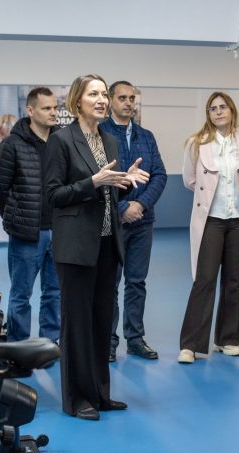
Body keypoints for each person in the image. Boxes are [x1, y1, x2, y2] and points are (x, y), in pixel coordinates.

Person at [44, 74, 149, 420]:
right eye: (94, 94)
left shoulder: (110, 142)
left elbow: (109, 191)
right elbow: (53, 196)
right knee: (77, 326)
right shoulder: (61, 141)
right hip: (76, 247)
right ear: (78, 101)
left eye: (104, 94)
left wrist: (124, 182)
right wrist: (93, 182)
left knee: (102, 323)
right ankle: (77, 400)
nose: (102, 100)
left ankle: (101, 395)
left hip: (107, 244)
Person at [177, 92, 239, 364]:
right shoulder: (196, 143)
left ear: (232, 111)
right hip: (211, 218)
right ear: (208, 114)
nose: (219, 112)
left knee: (234, 281)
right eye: (213, 109)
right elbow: (189, 180)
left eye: (223, 107)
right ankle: (190, 345)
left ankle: (228, 339)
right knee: (205, 280)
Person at [0, 87, 61, 343]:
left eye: (55, 107)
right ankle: (17, 346)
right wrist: (15, 217)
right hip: (27, 235)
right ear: (30, 110)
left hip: (59, 232)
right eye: (46, 108)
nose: (53, 113)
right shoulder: (11, 145)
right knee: (21, 294)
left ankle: (49, 343)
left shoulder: (62, 143)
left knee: (54, 293)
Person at [102, 81, 167, 362]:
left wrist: (140, 204)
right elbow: (98, 179)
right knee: (109, 284)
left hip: (142, 222)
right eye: (123, 98)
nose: (129, 103)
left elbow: (160, 175)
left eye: (132, 98)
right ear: (110, 100)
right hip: (111, 224)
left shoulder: (146, 136)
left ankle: (135, 339)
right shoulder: (100, 133)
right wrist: (122, 207)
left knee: (137, 282)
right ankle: (107, 340)